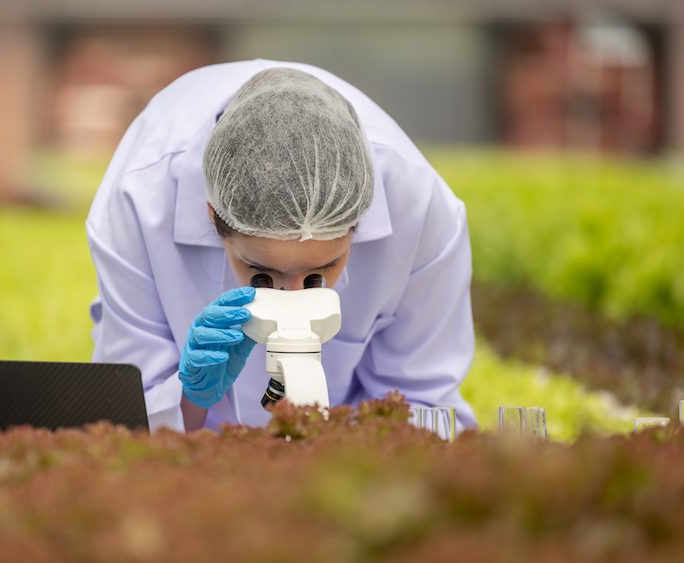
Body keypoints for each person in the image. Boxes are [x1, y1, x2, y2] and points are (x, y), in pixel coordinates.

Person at [86, 59, 477, 434]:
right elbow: (128, 421)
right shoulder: (140, 198)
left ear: (358, 224)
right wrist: (189, 397)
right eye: (262, 274)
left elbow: (424, 404)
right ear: (212, 217)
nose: (292, 299)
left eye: (317, 275)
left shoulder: (420, 210)